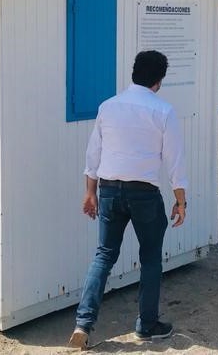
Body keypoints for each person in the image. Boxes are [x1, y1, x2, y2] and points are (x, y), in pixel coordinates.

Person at [67, 50, 188, 350]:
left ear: (133, 73)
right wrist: (180, 200)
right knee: (149, 257)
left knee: (104, 255)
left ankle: (83, 324)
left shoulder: (108, 107)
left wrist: (89, 192)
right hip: (144, 193)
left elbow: (93, 154)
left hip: (108, 190)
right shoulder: (163, 111)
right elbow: (175, 162)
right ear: (159, 80)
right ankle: (147, 326)